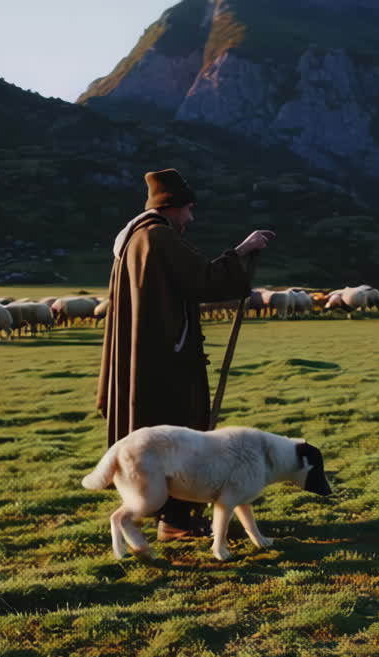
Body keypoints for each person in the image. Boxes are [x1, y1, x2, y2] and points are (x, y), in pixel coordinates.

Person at [96, 168, 273, 539]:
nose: (190, 219)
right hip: (166, 364)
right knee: (177, 437)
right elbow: (203, 280)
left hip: (148, 359)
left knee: (162, 437)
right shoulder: (158, 237)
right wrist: (241, 253)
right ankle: (175, 521)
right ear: (172, 206)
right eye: (189, 210)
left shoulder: (135, 239)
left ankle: (172, 517)